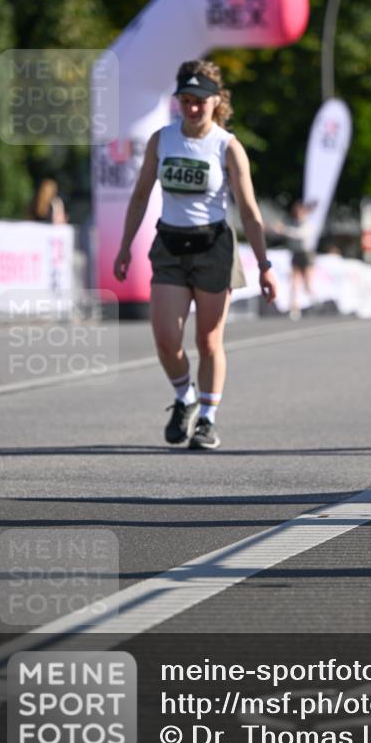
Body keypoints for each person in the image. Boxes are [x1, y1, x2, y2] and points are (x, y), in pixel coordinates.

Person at [113, 60, 277, 450]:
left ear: (216, 101)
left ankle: (207, 419)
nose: (192, 107)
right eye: (185, 100)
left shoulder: (227, 146)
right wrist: (124, 246)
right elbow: (140, 197)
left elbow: (249, 211)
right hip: (170, 245)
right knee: (166, 339)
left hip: (213, 248)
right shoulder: (162, 140)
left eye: (200, 100)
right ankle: (184, 396)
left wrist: (264, 266)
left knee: (208, 341)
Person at [272, 200, 316, 321]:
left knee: (307, 284)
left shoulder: (308, 223)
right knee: (294, 282)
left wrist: (284, 230)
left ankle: (315, 303)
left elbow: (300, 234)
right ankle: (294, 307)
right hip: (295, 254)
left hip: (306, 254)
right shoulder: (291, 222)